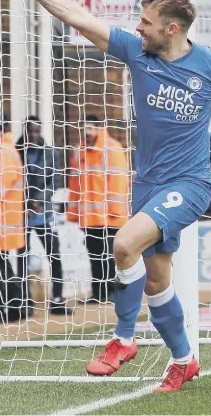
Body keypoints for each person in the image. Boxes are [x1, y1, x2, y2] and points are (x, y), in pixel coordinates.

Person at [2, 0, 211, 392]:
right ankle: (183, 359)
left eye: (147, 22)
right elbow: (80, 17)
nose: (138, 27)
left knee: (123, 244)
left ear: (171, 29)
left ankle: (122, 338)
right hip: (148, 184)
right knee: (157, 283)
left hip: (190, 184)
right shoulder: (138, 52)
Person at [67, 115, 128, 303]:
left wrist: (114, 210)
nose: (88, 132)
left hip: (109, 217)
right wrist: (74, 212)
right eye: (86, 128)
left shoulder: (112, 148)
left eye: (92, 128)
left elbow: (118, 182)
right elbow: (74, 183)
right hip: (90, 217)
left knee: (107, 256)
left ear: (99, 128)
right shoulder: (80, 151)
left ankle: (111, 292)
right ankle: (99, 293)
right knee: (94, 255)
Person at [16, 116, 72, 316]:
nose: (33, 135)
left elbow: (55, 181)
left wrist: (38, 201)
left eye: (36, 131)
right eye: (29, 131)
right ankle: (24, 301)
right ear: (25, 131)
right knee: (22, 257)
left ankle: (57, 300)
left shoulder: (50, 152)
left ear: (40, 131)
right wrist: (26, 202)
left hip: (42, 212)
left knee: (54, 253)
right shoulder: (15, 150)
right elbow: (12, 180)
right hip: (20, 212)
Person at [0, 110, 26, 323]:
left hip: (0, 223)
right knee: (1, 266)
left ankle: (2, 309)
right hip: (1, 222)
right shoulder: (1, 150)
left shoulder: (3, 153)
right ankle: (15, 308)